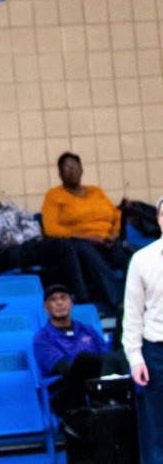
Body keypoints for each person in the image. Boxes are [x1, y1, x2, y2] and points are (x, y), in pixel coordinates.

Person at [0, 170, 85, 295]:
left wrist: (17, 239)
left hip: (27, 246)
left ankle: (80, 296)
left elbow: (34, 227)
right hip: (3, 256)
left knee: (63, 245)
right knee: (15, 253)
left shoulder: (11, 207)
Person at [42, 152, 129, 315]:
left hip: (107, 239)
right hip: (78, 241)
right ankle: (119, 301)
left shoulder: (96, 191)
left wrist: (114, 233)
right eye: (66, 168)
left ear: (82, 170)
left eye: (74, 167)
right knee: (90, 255)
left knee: (133, 257)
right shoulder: (54, 196)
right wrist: (86, 237)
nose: (71, 171)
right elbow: (51, 228)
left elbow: (116, 215)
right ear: (60, 174)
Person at [32, 284, 124, 416]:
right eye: (53, 299)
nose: (59, 303)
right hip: (67, 391)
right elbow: (63, 368)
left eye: (63, 298)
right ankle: (105, 401)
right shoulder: (42, 338)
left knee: (119, 356)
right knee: (84, 359)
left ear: (71, 303)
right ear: (46, 307)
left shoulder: (87, 330)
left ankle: (113, 402)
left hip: (98, 380)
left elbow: (107, 356)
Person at [122, 195, 163, 464]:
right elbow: (133, 313)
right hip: (156, 351)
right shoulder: (141, 259)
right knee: (156, 427)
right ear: (159, 219)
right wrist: (135, 358)